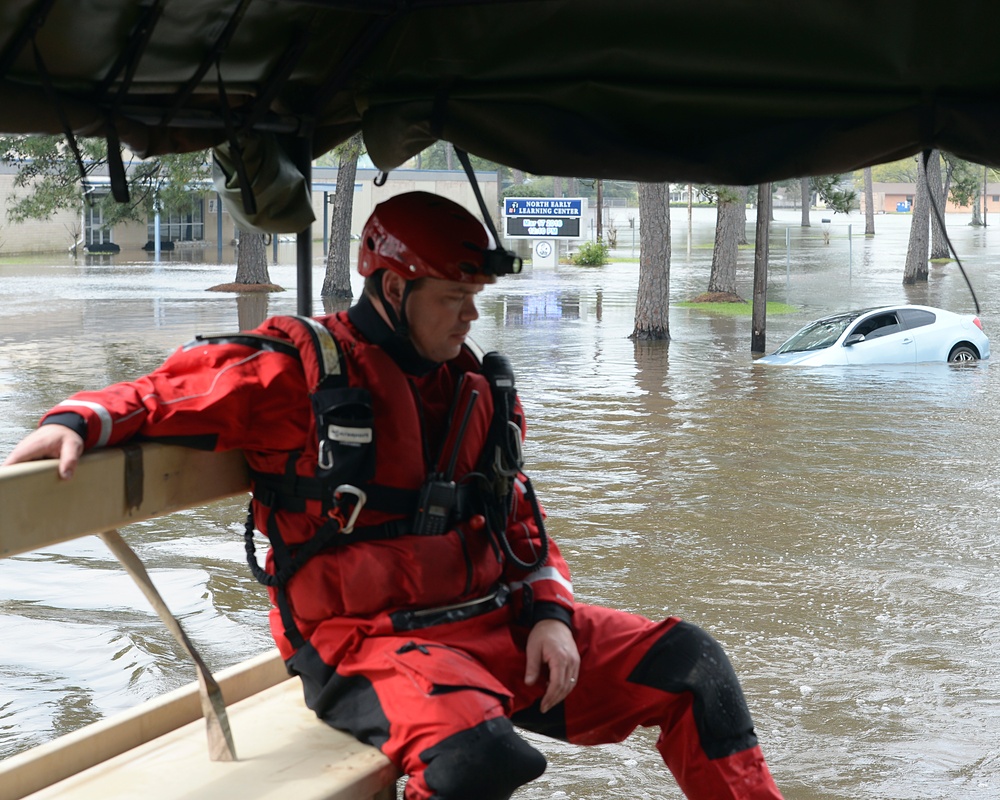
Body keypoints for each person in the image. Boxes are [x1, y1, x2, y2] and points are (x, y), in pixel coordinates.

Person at [3, 191, 783, 800]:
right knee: (480, 763)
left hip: (497, 624)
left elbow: (520, 522)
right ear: (389, 286)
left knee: (693, 667)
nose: (471, 316)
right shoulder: (299, 373)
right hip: (363, 641)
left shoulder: (476, 388)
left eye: (475, 296)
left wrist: (551, 614)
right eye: (453, 296)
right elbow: (173, 387)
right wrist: (83, 419)